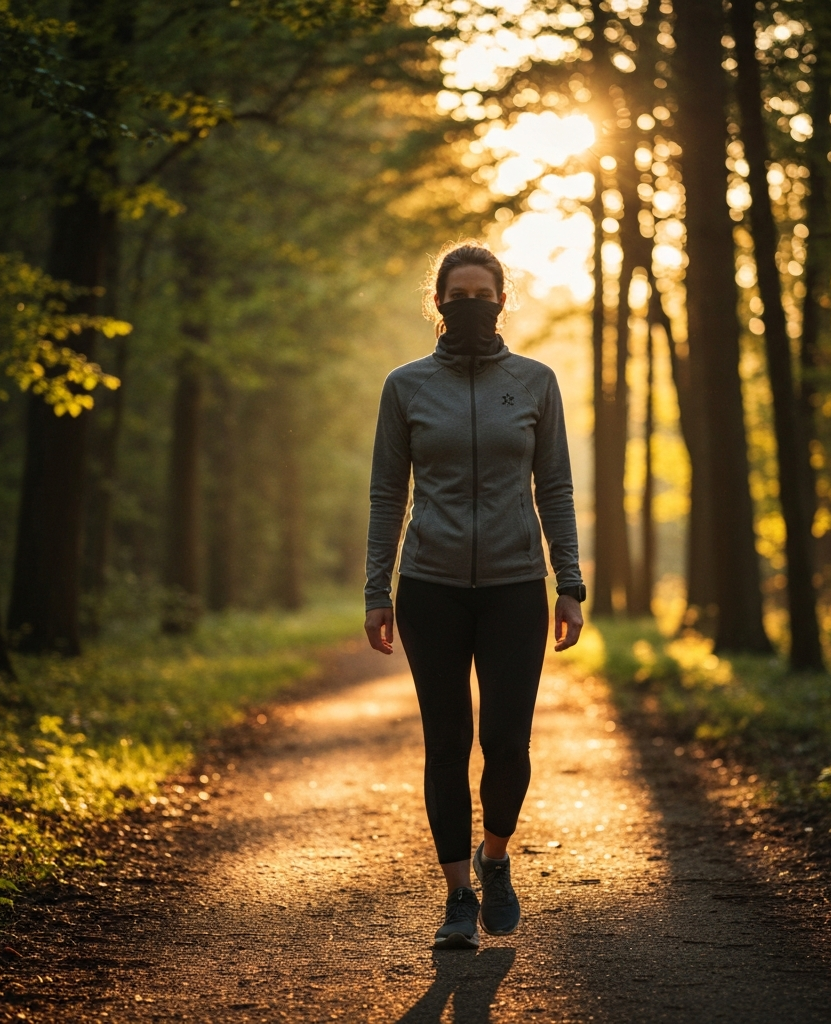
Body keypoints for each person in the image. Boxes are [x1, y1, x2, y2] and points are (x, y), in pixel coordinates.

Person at [364, 242, 585, 949]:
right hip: (430, 588)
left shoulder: (536, 381)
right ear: (438, 302)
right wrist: (378, 588)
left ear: (500, 299)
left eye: (481, 293)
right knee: (447, 744)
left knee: (507, 743)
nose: (469, 304)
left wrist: (570, 582)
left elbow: (554, 487)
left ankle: (495, 858)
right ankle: (458, 896)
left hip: (517, 587)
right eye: (455, 294)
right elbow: (385, 494)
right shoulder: (405, 387)